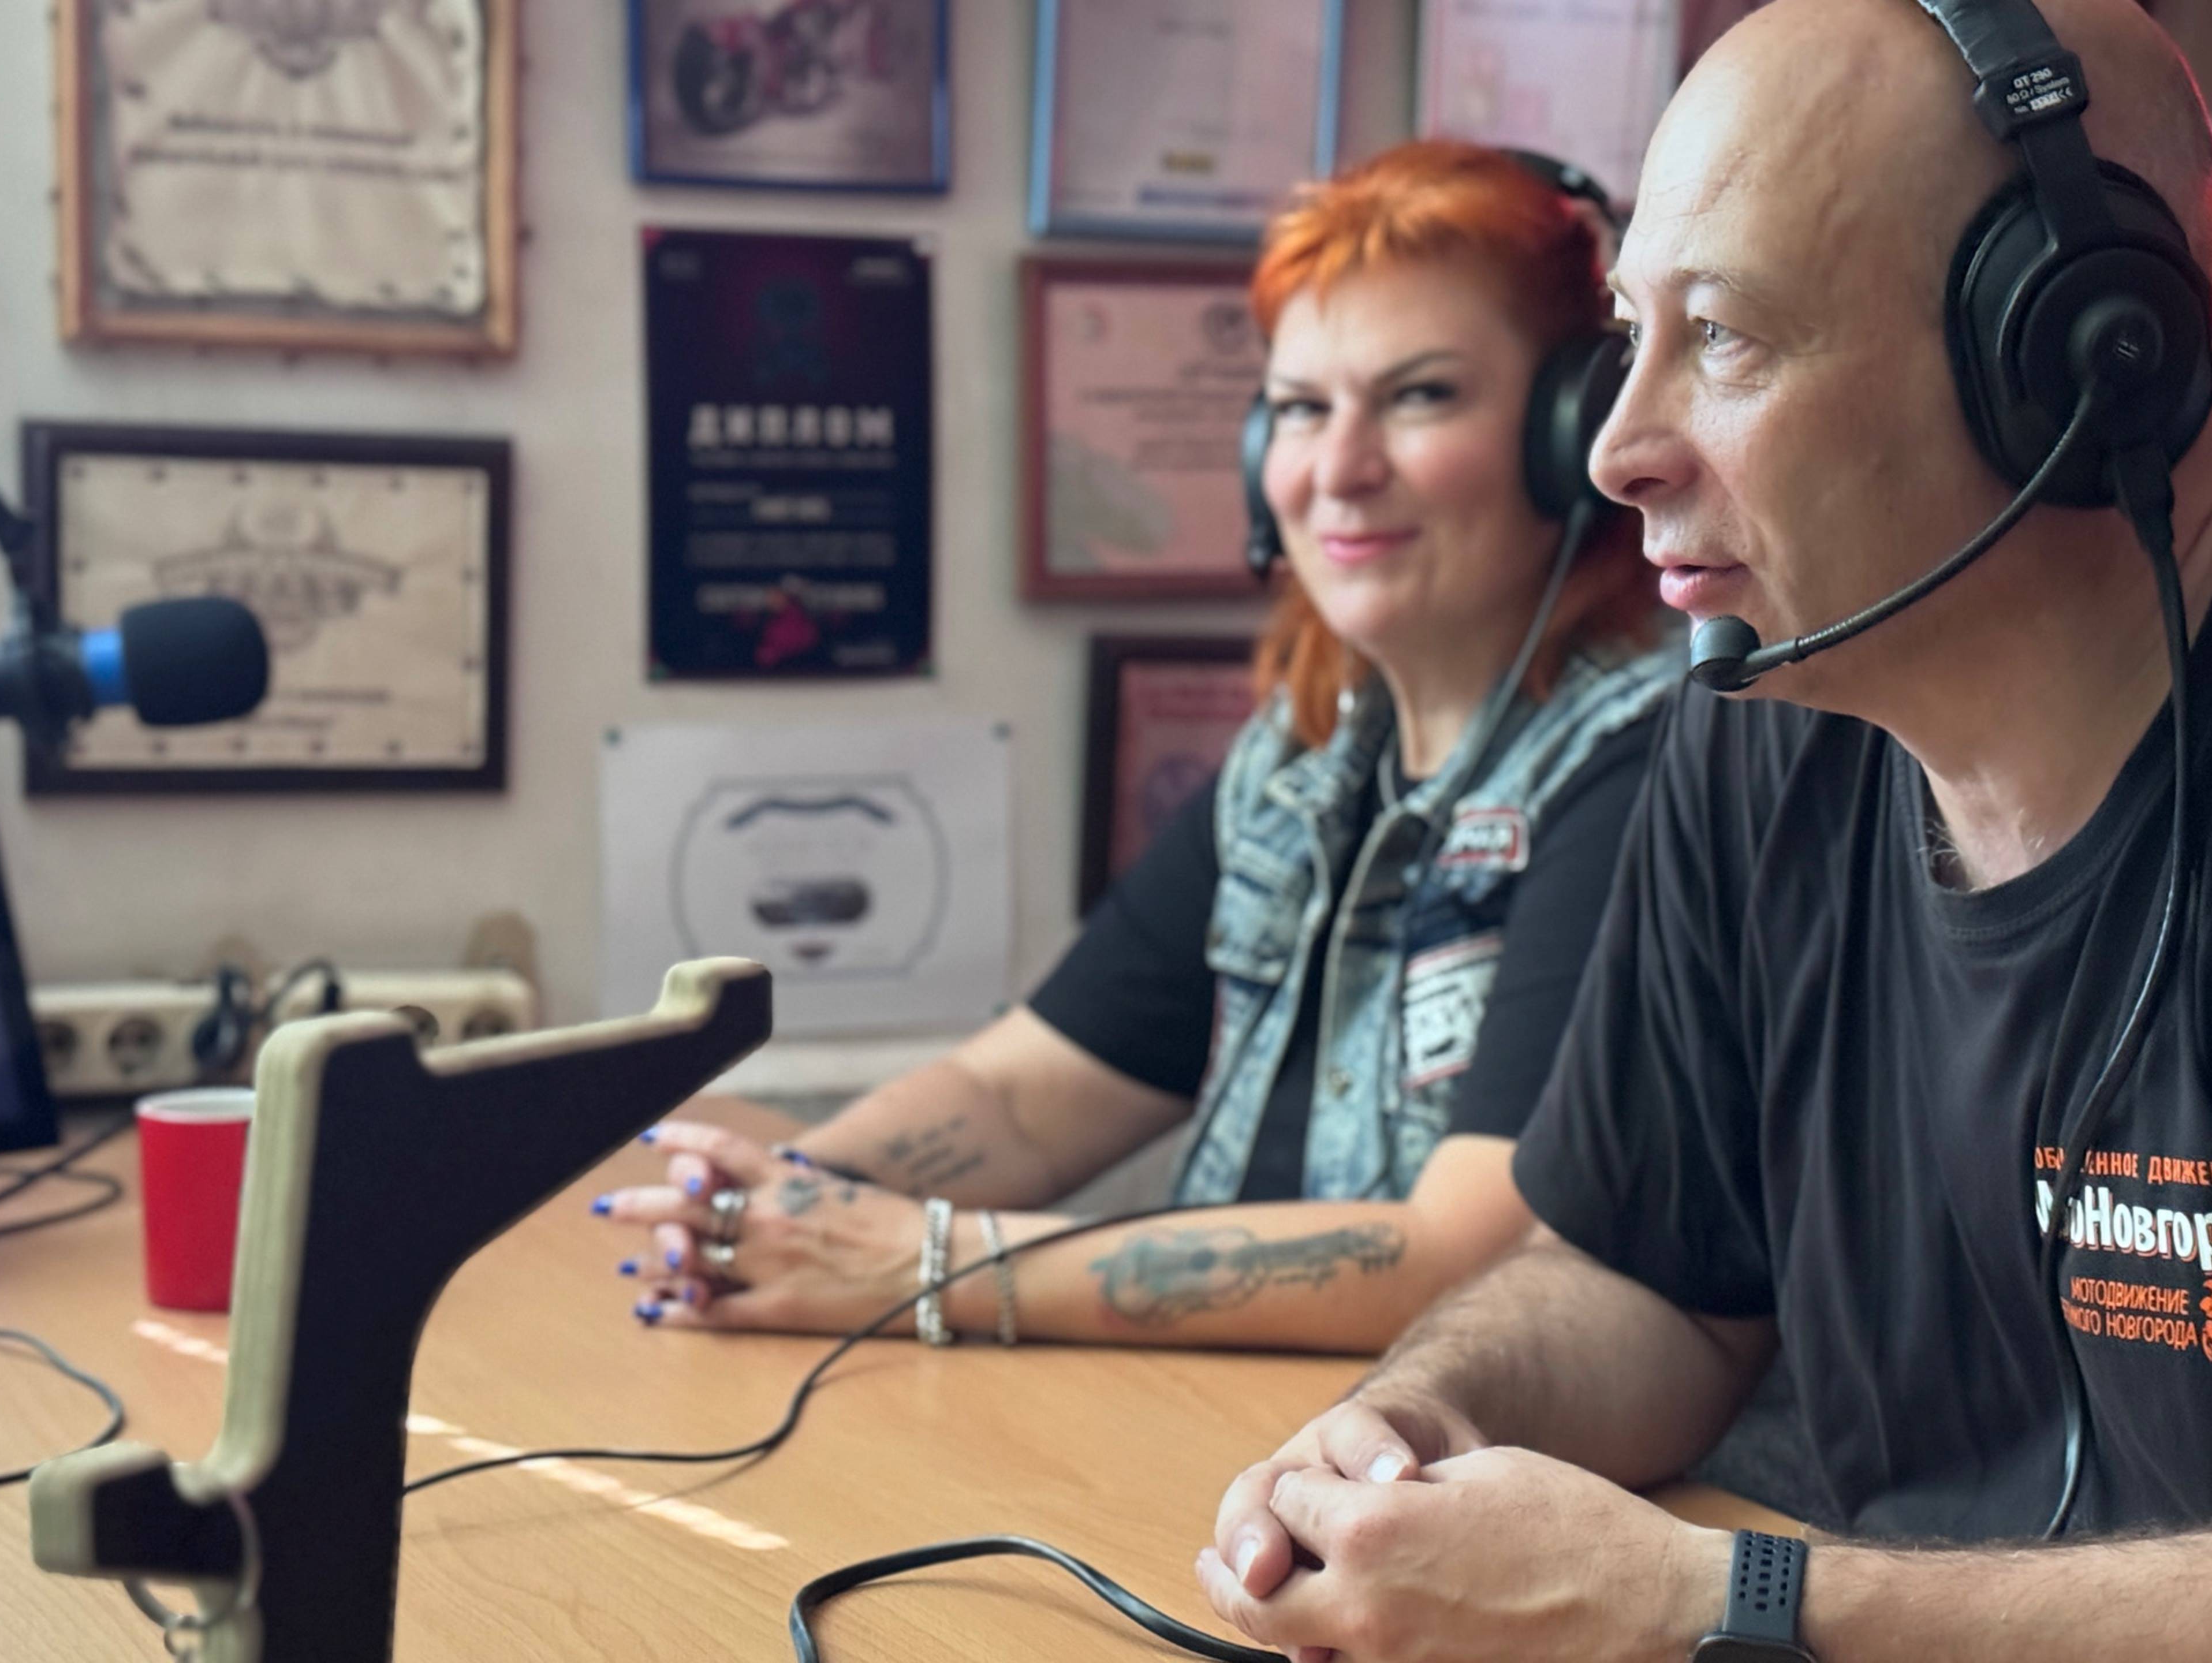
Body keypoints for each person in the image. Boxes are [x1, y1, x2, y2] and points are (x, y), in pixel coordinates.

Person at [1196, 1, 2212, 1657]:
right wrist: (1412, 1427)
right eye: (1630, 335)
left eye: (1725, 339)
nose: (1618, 449)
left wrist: (1715, 1608)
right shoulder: (1769, 720)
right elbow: (1646, 1282)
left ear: (2074, 354)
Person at [596, 142, 1688, 1353]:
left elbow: (1465, 1258)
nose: (1337, 469)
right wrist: (758, 1200)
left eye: (1420, 396)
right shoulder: (1302, 761)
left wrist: (929, 1266)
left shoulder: (1651, 768)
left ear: (1576, 429)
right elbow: (1023, 1096)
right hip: (1237, 1422)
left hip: (1432, 1445)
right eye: (1300, 409)